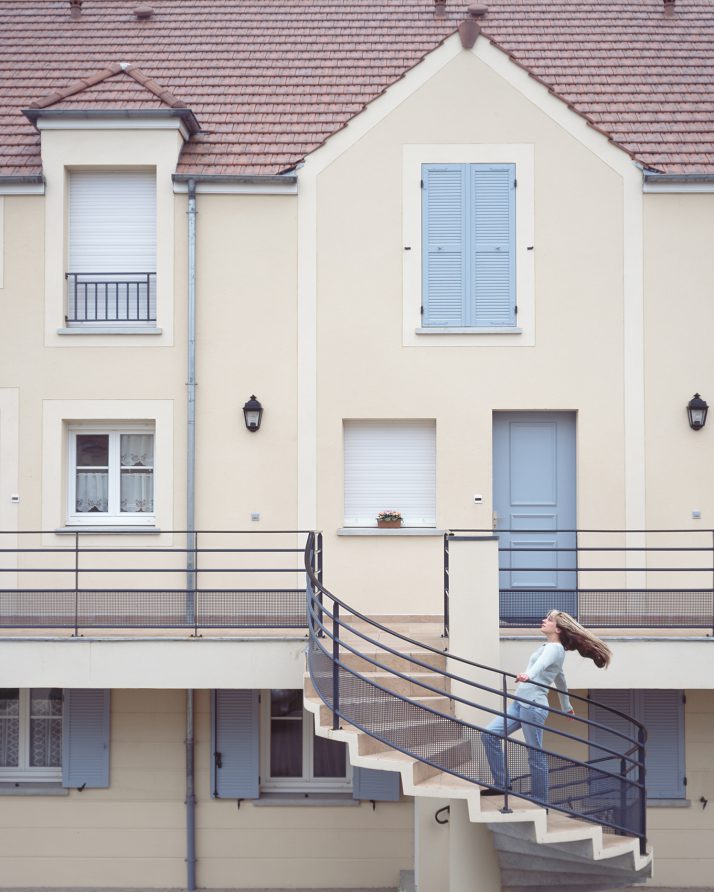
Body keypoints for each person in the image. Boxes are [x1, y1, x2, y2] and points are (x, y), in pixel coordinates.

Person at [481, 610, 612, 803]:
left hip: (532, 706)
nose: (544, 621)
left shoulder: (554, 649)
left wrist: (528, 675)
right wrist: (566, 706)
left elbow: (540, 666)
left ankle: (540, 800)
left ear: (558, 629)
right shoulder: (550, 648)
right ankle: (502, 784)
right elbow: (560, 680)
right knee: (489, 734)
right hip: (521, 703)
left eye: (549, 620)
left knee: (535, 753)